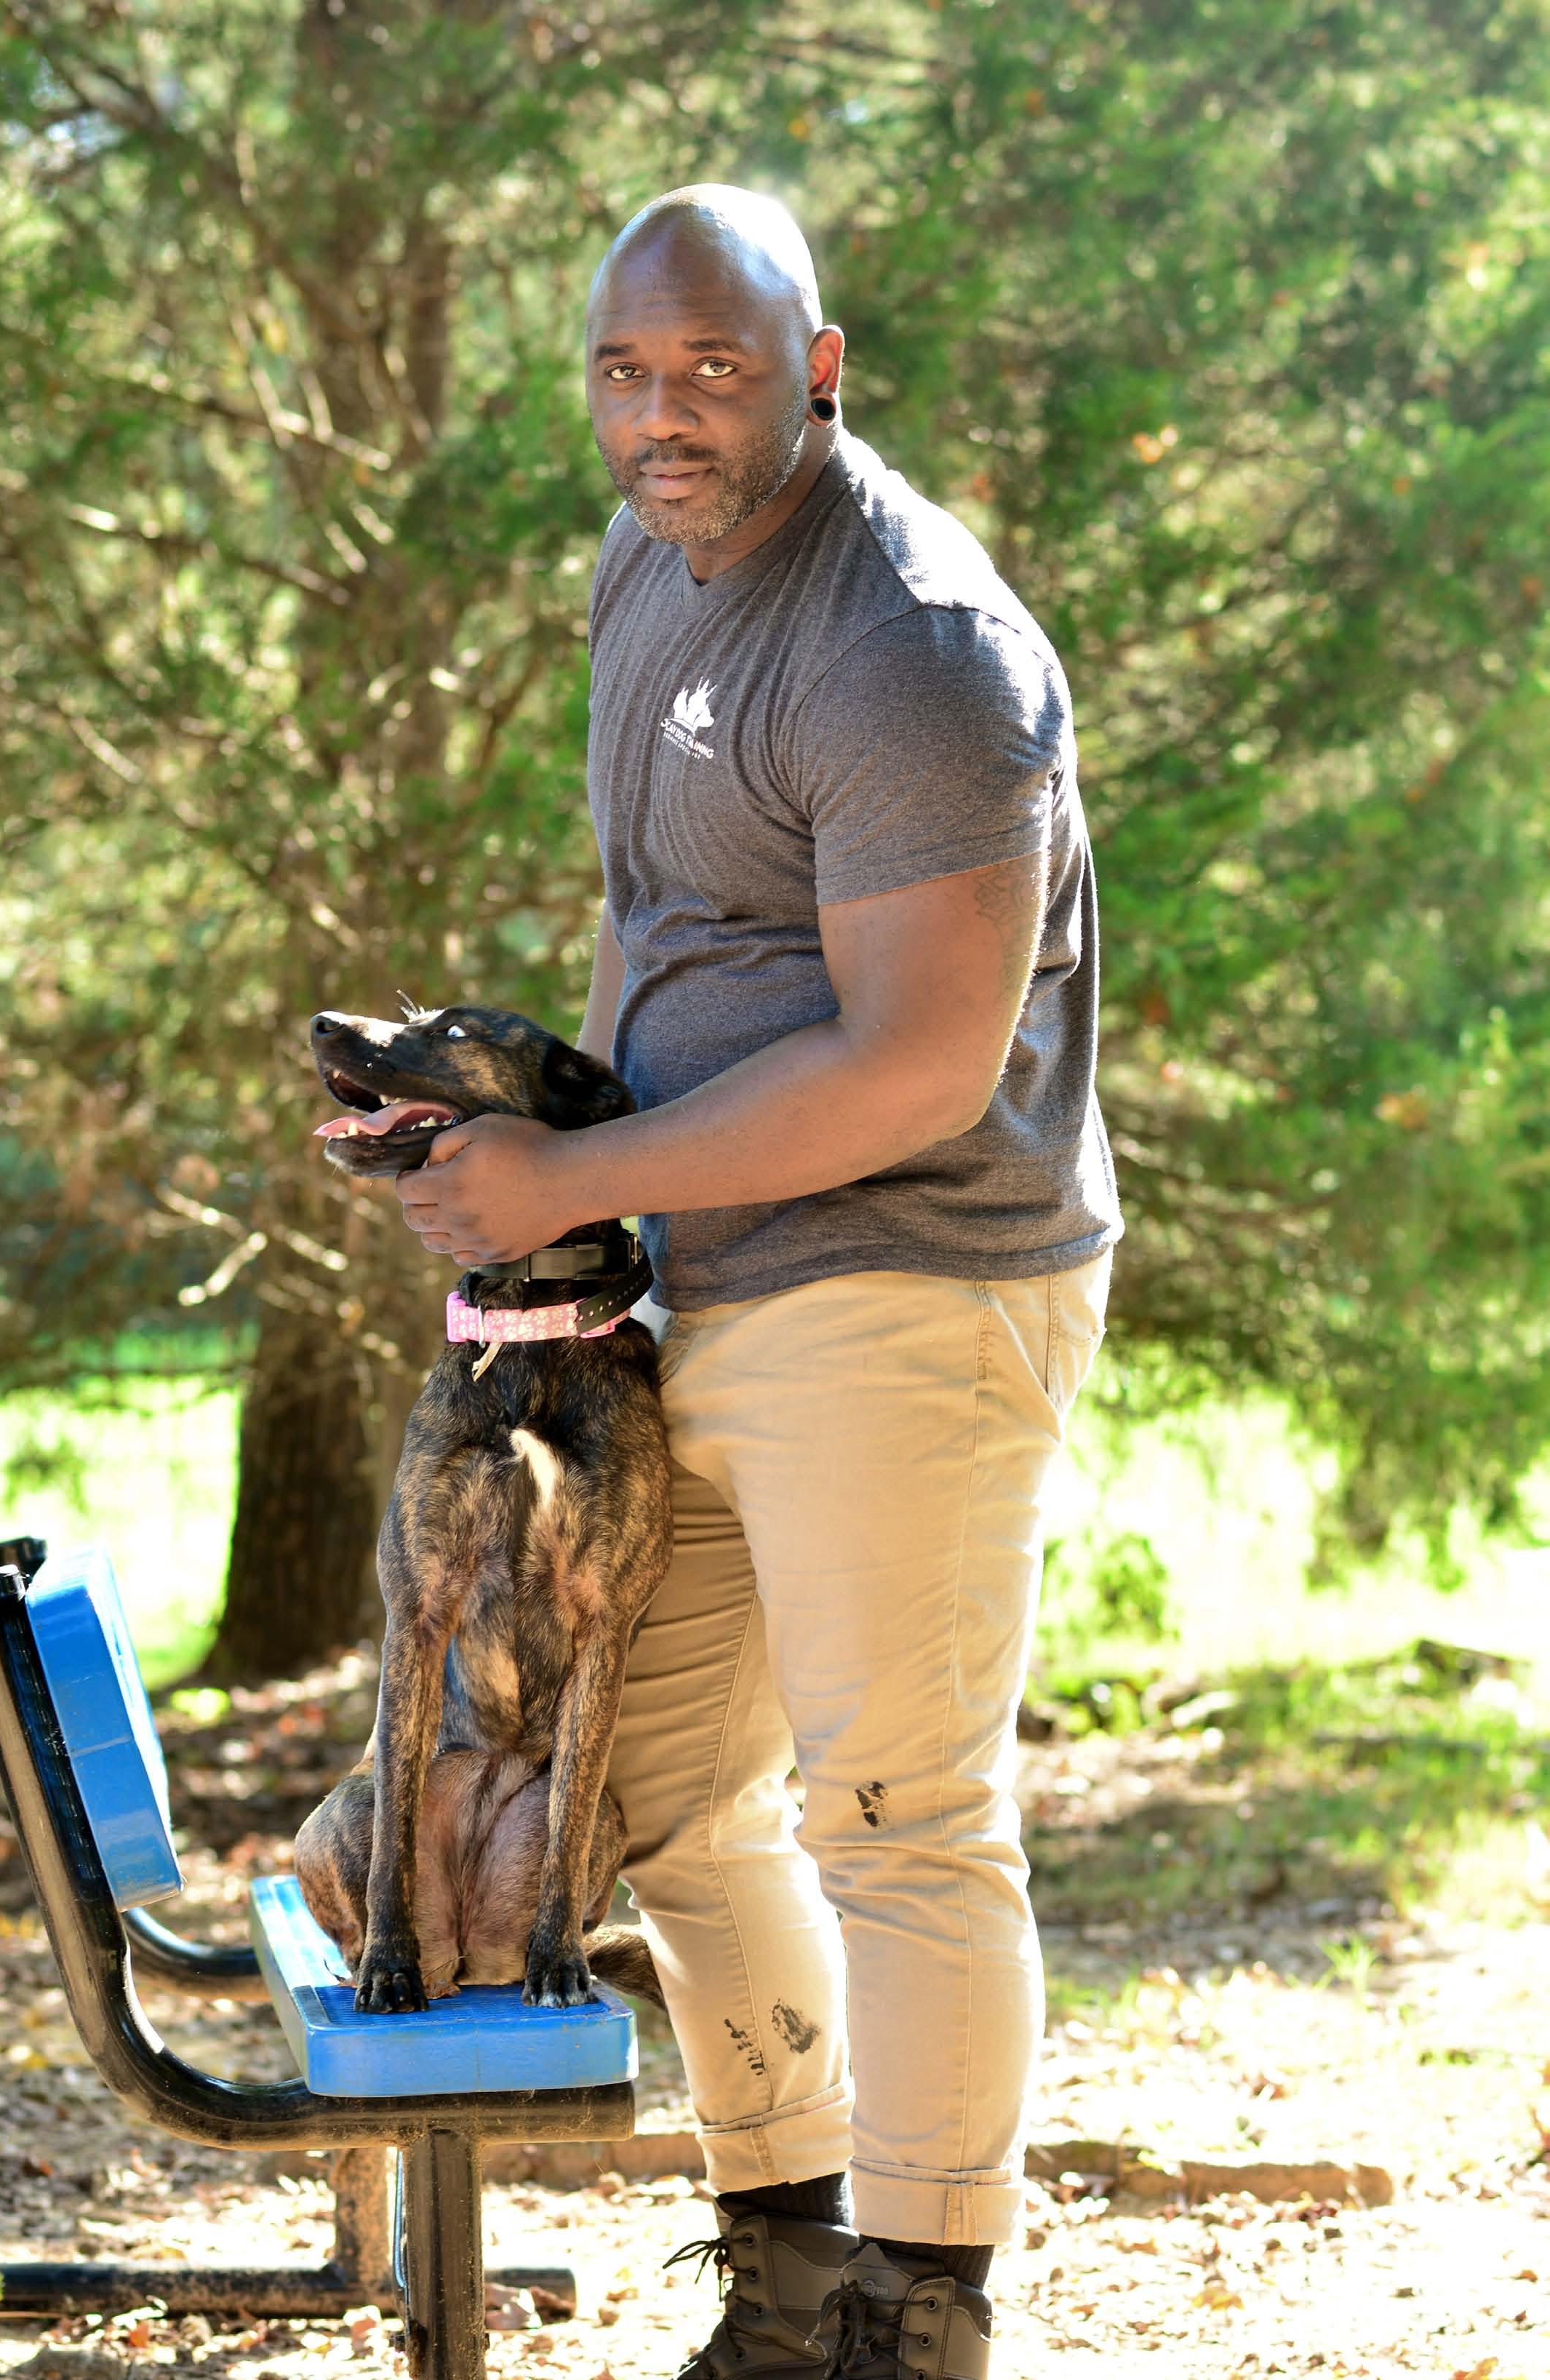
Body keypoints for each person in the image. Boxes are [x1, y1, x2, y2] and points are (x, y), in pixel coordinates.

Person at [391, 185, 1121, 2380]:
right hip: (694, 1276)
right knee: (663, 1791)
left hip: (910, 1278)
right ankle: (793, 2285)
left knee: (899, 1810)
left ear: (818, 368)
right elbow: (655, 912)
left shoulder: (913, 648)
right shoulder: (650, 563)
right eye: (625, 372)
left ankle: (922, 2314)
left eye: (713, 368)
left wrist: (581, 1169)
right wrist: (566, 1200)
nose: (664, 414)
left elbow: (916, 1067)